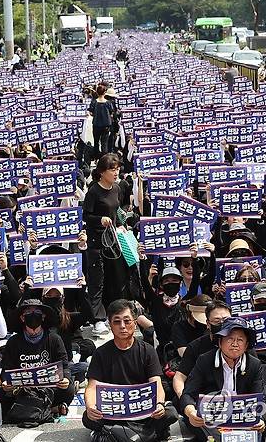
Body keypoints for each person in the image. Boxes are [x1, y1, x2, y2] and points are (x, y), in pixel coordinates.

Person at [83, 299, 178, 440]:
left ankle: (120, 434)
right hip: (114, 411)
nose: (122, 326)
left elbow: (156, 382)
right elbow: (92, 386)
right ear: (110, 324)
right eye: (117, 322)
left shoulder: (148, 350)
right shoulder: (101, 353)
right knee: (88, 418)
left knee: (170, 413)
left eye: (127, 321)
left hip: (143, 410)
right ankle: (144, 434)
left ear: (135, 323)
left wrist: (159, 404)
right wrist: (91, 407)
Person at [181, 317, 265, 440]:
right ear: (220, 342)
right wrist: (191, 412)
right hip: (212, 416)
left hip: (242, 417)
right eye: (230, 339)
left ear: (246, 345)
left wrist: (260, 419)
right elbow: (187, 393)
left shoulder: (254, 364)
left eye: (240, 340)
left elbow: (260, 395)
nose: (235, 344)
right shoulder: (204, 360)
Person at [0, 299, 75, 419]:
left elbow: (64, 366)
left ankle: (43, 408)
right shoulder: (13, 342)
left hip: (49, 388)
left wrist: (65, 378)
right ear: (22, 318)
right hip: (22, 390)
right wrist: (5, 382)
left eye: (37, 312)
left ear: (43, 316)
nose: (33, 315)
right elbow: (6, 369)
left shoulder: (54, 339)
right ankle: (47, 409)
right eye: (28, 312)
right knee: (2, 394)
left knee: (69, 388)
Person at [82, 154, 123, 334]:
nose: (116, 173)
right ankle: (97, 318)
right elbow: (85, 216)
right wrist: (100, 220)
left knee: (113, 280)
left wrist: (121, 226)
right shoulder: (93, 192)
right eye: (112, 169)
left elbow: (117, 211)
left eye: (117, 169)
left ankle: (110, 313)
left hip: (113, 242)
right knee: (96, 281)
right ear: (101, 172)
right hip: (96, 243)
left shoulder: (116, 188)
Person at [87, 85, 114, 157]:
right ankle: (104, 158)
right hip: (106, 125)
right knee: (104, 143)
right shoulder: (108, 103)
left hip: (96, 124)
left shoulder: (94, 102)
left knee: (96, 142)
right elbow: (111, 112)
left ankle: (96, 157)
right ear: (105, 93)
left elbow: (90, 112)